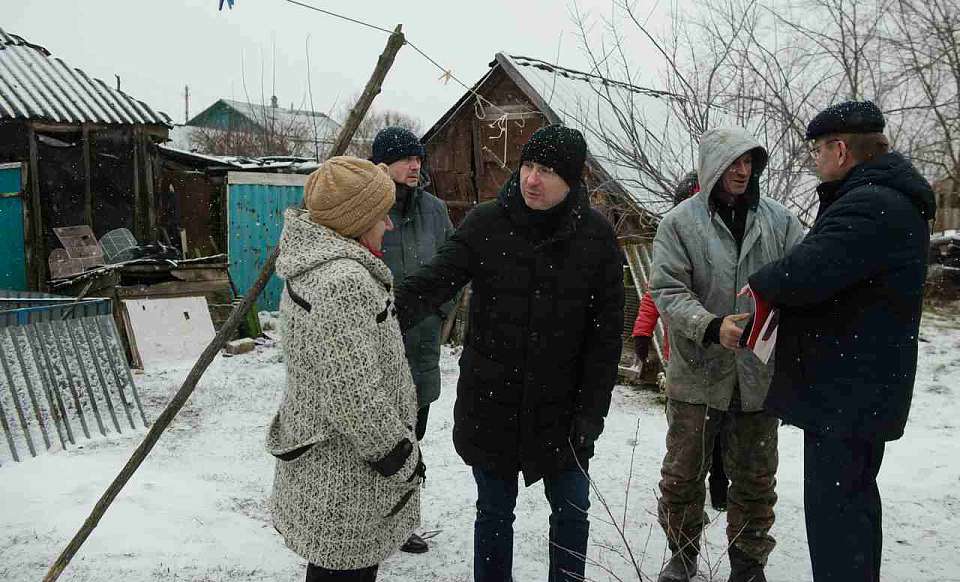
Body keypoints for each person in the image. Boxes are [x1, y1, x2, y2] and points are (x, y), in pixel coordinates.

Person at [395, 124, 624, 582]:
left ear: (572, 180)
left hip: (564, 411)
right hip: (491, 404)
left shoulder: (597, 239)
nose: (532, 179)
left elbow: (605, 341)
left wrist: (591, 415)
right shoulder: (486, 223)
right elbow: (434, 281)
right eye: (529, 166)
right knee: (494, 513)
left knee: (572, 513)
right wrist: (377, 309)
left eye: (547, 171)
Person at [747, 101, 936, 582]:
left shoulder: (872, 203)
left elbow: (807, 271)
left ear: (840, 149)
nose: (814, 159)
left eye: (817, 149)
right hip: (857, 390)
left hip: (846, 395)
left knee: (838, 521)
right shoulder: (885, 197)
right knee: (851, 511)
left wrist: (761, 284)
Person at [650, 128, 805, 582]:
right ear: (712, 166)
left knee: (756, 480)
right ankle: (682, 553)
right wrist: (712, 326)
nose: (742, 171)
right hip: (698, 374)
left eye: (749, 162)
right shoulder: (679, 224)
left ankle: (749, 563)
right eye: (734, 162)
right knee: (682, 475)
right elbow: (667, 291)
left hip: (758, 376)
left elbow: (801, 277)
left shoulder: (780, 222)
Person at [266, 156, 425, 582]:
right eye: (381, 216)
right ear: (354, 221)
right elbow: (354, 396)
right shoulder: (343, 282)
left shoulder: (311, 264)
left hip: (325, 463)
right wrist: (402, 457)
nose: (388, 226)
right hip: (347, 475)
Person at [371, 126, 455, 555]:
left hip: (420, 348)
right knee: (368, 436)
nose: (415, 165)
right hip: (371, 349)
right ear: (381, 164)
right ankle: (365, 519)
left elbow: (454, 270)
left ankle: (402, 522)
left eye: (418, 157)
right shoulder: (364, 208)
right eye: (406, 158)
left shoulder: (436, 211)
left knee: (411, 439)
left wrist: (438, 317)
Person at [632, 171, 729, 513]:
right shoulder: (677, 236)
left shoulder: (728, 241)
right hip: (686, 358)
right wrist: (643, 331)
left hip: (727, 353)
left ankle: (720, 479)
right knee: (687, 433)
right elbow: (656, 292)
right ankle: (691, 501)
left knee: (721, 428)